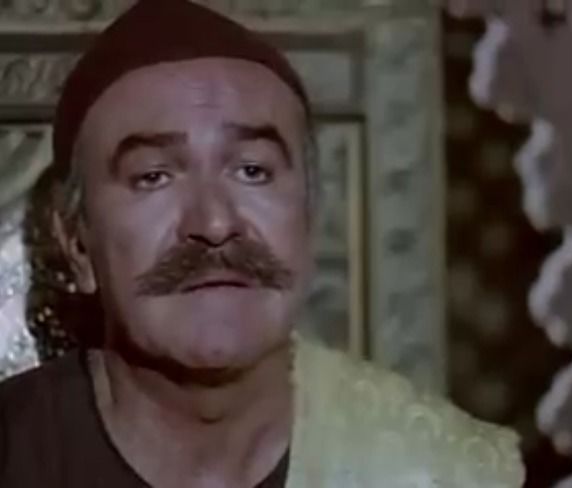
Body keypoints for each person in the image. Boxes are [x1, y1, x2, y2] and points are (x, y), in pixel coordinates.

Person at [0, 0, 524, 486]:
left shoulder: (435, 471)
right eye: (154, 177)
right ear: (77, 243)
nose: (214, 223)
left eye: (252, 171)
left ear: (308, 219)